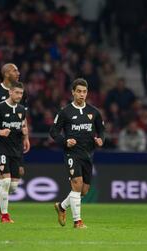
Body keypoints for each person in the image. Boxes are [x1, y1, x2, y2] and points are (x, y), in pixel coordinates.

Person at [50, 78, 105, 229]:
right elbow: (53, 132)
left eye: (84, 92)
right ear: (73, 92)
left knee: (84, 191)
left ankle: (61, 206)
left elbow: (101, 130)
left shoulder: (94, 112)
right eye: (79, 91)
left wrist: (101, 139)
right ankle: (77, 221)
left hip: (88, 154)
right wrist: (65, 142)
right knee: (76, 184)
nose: (82, 94)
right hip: (71, 153)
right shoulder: (65, 111)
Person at [0, 63, 30, 219]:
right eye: (14, 70)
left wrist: (26, 137)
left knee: (12, 186)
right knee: (2, 178)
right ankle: (2, 213)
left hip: (15, 143)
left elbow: (23, 118)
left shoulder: (22, 93)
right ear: (6, 73)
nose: (18, 72)